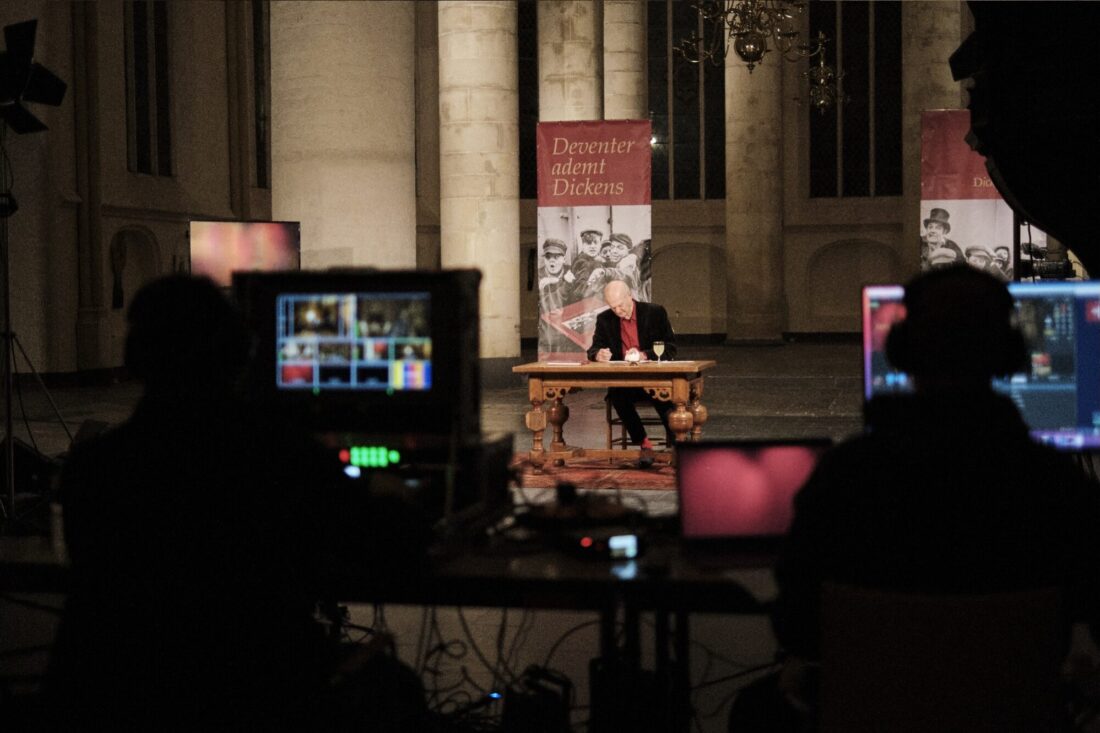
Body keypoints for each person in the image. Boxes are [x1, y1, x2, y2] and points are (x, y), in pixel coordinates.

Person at [45, 276, 428, 731]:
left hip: (114, 696)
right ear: (236, 355)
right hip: (258, 693)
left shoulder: (93, 464)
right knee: (396, 684)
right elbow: (386, 543)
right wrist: (397, 497)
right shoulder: (279, 454)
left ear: (136, 360)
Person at [731, 265, 1100, 730]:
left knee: (754, 710)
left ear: (902, 352)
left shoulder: (847, 475)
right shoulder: (1054, 484)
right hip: (1011, 714)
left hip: (869, 712)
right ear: (1010, 356)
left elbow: (797, 622)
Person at [585, 279, 677, 469]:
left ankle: (678, 446)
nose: (618, 311)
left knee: (664, 400)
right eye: (613, 307)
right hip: (626, 381)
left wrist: (645, 355)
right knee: (617, 396)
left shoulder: (655, 312)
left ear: (630, 297)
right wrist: (598, 355)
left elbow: (671, 348)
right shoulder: (605, 319)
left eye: (621, 305)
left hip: (654, 379)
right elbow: (593, 349)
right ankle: (645, 446)